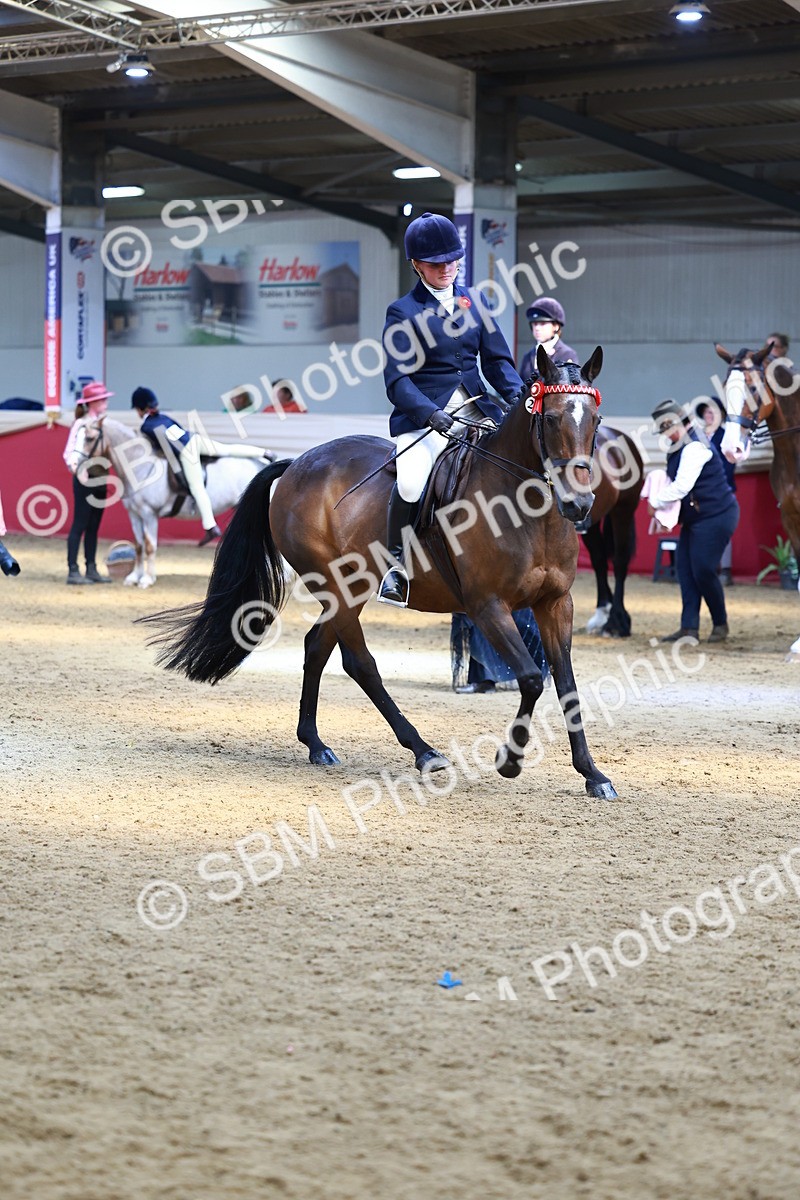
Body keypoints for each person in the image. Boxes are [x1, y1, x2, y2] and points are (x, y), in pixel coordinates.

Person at [378, 211, 523, 606]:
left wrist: (518, 399)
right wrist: (430, 414)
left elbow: (497, 362)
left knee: (521, 455)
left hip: (478, 407)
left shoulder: (475, 300)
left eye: (451, 261)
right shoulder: (403, 312)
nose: (446, 269)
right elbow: (397, 381)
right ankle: (395, 566)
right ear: (416, 265)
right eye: (435, 264)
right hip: (425, 416)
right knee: (410, 481)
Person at [131, 388, 277, 546]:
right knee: (226, 449)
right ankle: (264, 453)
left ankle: (210, 526)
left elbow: (164, 445)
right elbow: (180, 429)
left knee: (196, 487)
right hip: (194, 439)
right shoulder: (163, 416)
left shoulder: (145, 426)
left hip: (186, 450)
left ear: (139, 409)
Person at [648, 399, 739, 643]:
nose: (666, 435)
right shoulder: (682, 444)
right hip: (697, 519)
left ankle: (720, 623)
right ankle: (689, 628)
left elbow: (682, 486)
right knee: (687, 572)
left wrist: (654, 502)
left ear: (677, 423)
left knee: (703, 569)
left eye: (666, 429)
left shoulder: (694, 447)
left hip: (717, 515)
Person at [63, 381, 114, 585]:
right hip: (86, 478)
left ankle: (91, 567)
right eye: (102, 399)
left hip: (100, 477)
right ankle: (73, 570)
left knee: (93, 526)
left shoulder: (103, 423)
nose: (106, 402)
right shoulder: (82, 424)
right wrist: (78, 472)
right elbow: (69, 453)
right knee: (81, 524)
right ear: (92, 403)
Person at [695, 395, 736, 584]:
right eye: (707, 412)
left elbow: (729, 465)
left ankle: (725, 570)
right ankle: (703, 567)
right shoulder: (696, 437)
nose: (710, 415)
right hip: (699, 491)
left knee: (721, 530)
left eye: (714, 412)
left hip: (722, 489)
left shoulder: (726, 437)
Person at [518, 297, 577, 380]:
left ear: (556, 326)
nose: (537, 328)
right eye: (535, 324)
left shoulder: (567, 354)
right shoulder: (527, 357)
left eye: (542, 323)